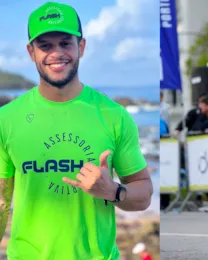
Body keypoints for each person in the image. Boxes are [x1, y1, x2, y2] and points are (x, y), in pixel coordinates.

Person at [0, 2, 153, 260]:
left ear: (81, 46)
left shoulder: (113, 115)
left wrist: (112, 191)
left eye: (65, 43)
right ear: (31, 52)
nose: (56, 53)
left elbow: (144, 193)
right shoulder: (7, 118)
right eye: (45, 45)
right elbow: (2, 201)